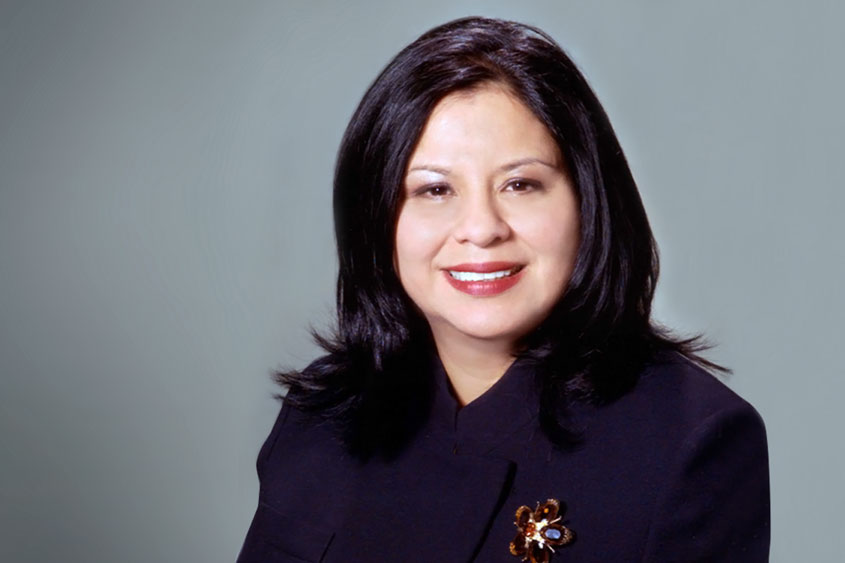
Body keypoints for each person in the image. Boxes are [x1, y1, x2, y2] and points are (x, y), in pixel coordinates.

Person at [237, 16, 770, 563]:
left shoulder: (690, 443)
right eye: (435, 190)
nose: (481, 228)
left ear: (589, 200)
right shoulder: (324, 413)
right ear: (375, 218)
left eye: (520, 184)